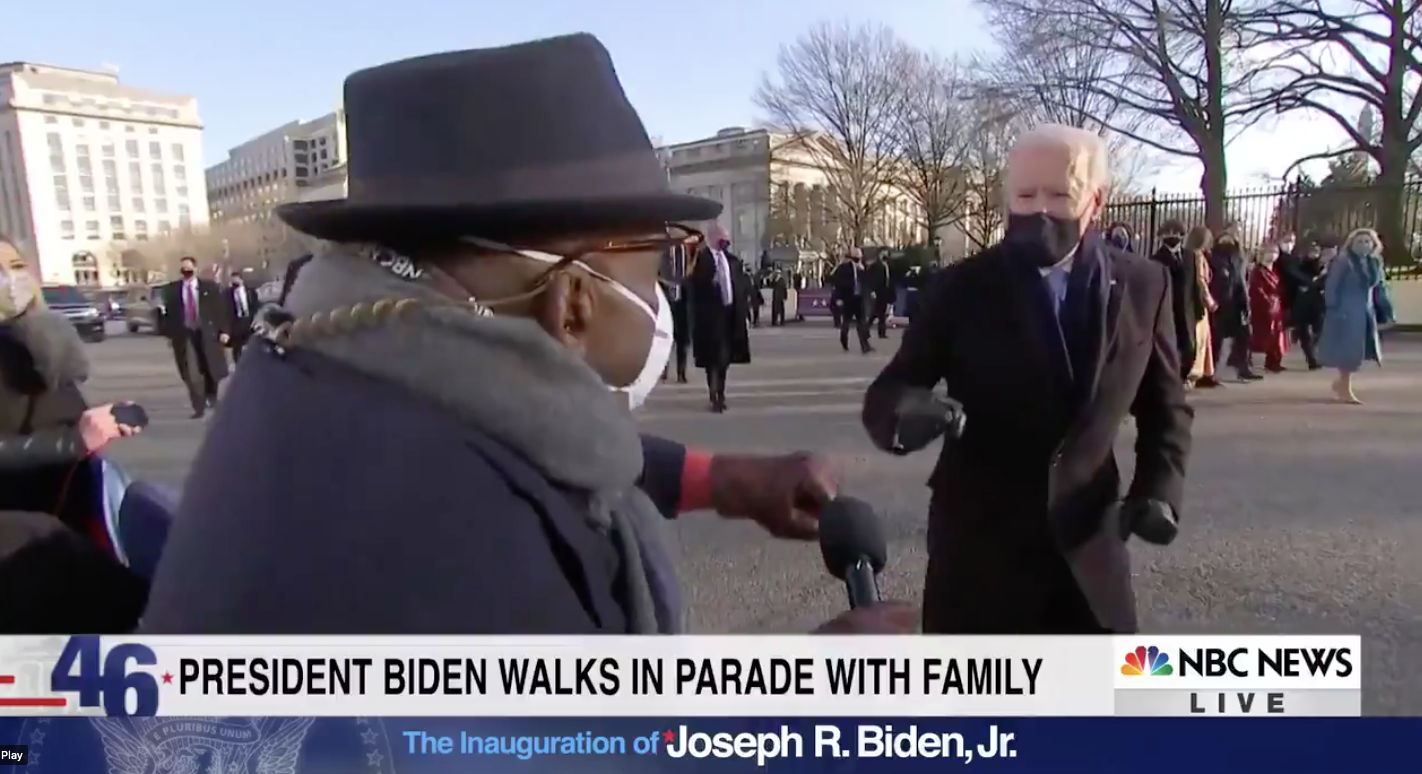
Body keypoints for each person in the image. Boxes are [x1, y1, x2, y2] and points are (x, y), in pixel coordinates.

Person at [141, 35, 912, 635]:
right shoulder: (464, 549)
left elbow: (529, 442)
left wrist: (720, 479)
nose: (662, 292)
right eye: (655, 263)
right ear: (572, 301)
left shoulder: (336, 357)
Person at [861, 124, 1193, 634]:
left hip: (1089, 553)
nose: (1039, 209)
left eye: (1060, 195)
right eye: (1024, 194)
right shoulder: (961, 288)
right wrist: (908, 414)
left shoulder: (1145, 285)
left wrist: (1159, 488)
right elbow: (890, 391)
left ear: (1096, 201)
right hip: (978, 555)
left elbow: (1166, 407)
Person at [0, 238, 148, 633]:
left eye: (16, 266)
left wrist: (101, 424)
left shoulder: (42, 339)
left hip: (60, 500)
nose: (9, 279)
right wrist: (71, 441)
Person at [1317, 228, 1387, 404]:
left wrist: (1385, 310)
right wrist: (1333, 307)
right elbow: (1332, 285)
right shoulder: (1344, 261)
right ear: (1352, 244)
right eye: (1359, 242)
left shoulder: (1374, 262)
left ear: (1374, 244)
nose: (1363, 245)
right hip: (1345, 310)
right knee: (1348, 351)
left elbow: (1379, 288)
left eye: (1367, 242)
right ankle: (1345, 387)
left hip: (1364, 311)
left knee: (1358, 351)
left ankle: (1341, 384)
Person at [157, 256, 231, 418]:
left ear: (195, 270)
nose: (186, 273)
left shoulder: (209, 288)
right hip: (185, 335)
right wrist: (168, 333)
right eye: (183, 270)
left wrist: (224, 331)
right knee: (191, 372)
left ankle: (212, 396)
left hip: (206, 333)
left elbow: (220, 311)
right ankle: (198, 405)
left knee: (210, 367)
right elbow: (167, 314)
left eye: (189, 270)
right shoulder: (172, 290)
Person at [688, 225, 751, 413]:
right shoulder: (702, 259)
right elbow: (694, 285)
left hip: (729, 316)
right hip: (710, 317)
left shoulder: (732, 261)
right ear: (714, 239)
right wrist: (710, 281)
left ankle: (720, 393)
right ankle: (714, 394)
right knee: (712, 359)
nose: (725, 242)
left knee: (723, 359)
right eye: (722, 238)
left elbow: (741, 286)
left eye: (726, 239)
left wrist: (744, 310)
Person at [1147, 220, 1198, 381]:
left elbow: (1194, 284)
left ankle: (1182, 376)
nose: (1174, 236)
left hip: (1187, 309)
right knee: (1171, 347)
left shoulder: (1189, 256)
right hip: (1168, 309)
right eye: (1169, 233)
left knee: (1190, 348)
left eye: (1177, 233)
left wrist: (1198, 307)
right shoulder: (1156, 259)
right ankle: (1173, 380)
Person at [1208, 232, 1259, 381]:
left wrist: (1245, 302)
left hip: (1238, 301)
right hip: (1221, 303)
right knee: (1216, 340)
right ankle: (1211, 372)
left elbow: (1241, 280)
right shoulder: (1214, 257)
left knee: (1244, 335)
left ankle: (1243, 368)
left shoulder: (1239, 258)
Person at [1277, 239, 1324, 370]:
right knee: (1304, 330)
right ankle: (1311, 358)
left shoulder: (1315, 263)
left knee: (1317, 327)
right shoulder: (1291, 261)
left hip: (1313, 300)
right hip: (1298, 300)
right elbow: (1293, 275)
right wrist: (1310, 282)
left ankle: (1311, 354)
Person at [1186, 226, 1219, 388]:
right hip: (1199, 302)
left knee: (1203, 337)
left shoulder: (1193, 255)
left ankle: (1204, 370)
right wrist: (1209, 300)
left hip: (1195, 301)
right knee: (1201, 338)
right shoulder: (1197, 256)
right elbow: (1201, 281)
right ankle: (1197, 371)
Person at [1249, 243, 1288, 373]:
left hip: (1276, 305)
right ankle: (1263, 360)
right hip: (1265, 306)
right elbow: (1257, 289)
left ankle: (1274, 360)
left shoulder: (1274, 270)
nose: (1272, 255)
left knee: (1277, 334)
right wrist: (1266, 302)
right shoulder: (1258, 271)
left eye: (1275, 252)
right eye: (1269, 252)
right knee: (1266, 334)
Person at [658, 240, 691, 383]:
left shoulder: (687, 252)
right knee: (666, 338)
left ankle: (681, 372)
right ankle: (664, 369)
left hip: (683, 301)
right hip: (667, 300)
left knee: (683, 339)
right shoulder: (662, 253)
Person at [832, 247, 873, 354]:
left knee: (861, 323)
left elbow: (866, 282)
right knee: (846, 321)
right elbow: (837, 283)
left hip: (859, 298)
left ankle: (865, 346)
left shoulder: (862, 268)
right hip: (848, 298)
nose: (859, 258)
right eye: (857, 256)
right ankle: (844, 340)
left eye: (860, 256)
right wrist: (839, 298)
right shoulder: (843, 267)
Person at [224, 272, 261, 363]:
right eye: (232, 280)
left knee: (251, 343)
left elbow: (256, 305)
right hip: (237, 322)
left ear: (241, 280)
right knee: (237, 346)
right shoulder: (228, 293)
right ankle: (238, 363)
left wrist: (256, 318)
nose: (234, 282)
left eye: (235, 280)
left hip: (249, 320)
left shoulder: (250, 291)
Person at [866, 249, 893, 339]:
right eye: (883, 254)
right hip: (878, 291)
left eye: (886, 254)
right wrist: (872, 290)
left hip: (885, 291)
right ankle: (866, 329)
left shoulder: (887, 265)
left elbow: (888, 278)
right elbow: (870, 278)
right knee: (876, 313)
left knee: (881, 313)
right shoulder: (875, 265)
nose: (885, 256)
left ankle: (881, 332)